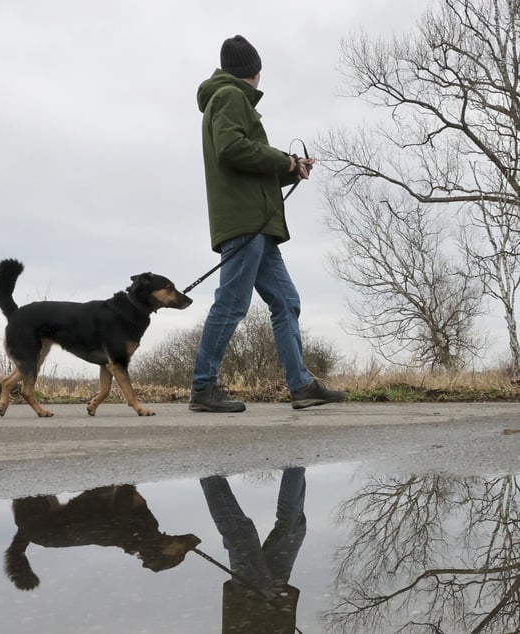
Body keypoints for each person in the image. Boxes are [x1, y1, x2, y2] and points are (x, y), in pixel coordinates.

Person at [189, 35, 346, 413]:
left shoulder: (227, 98)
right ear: (254, 71)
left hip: (258, 223)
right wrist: (284, 162)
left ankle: (301, 386)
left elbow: (245, 163)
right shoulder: (229, 97)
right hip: (245, 222)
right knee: (231, 303)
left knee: (286, 301)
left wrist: (291, 169)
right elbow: (232, 149)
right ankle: (203, 387)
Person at [201, 467, 307, 633]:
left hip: (248, 601)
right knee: (292, 529)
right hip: (277, 601)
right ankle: (295, 469)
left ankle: (210, 477)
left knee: (241, 535)